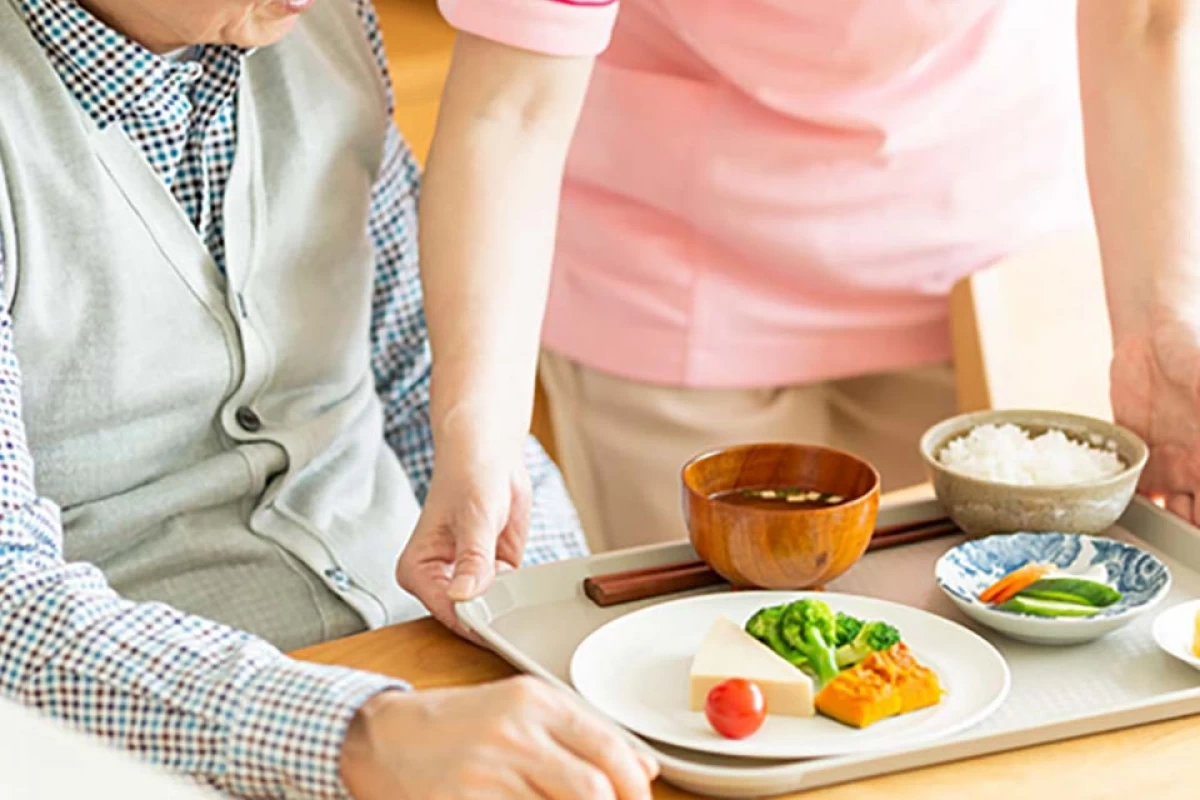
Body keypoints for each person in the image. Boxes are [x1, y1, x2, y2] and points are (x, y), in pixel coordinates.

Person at [0, 0, 655, 798]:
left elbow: (421, 375)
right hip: (155, 750)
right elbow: (9, 605)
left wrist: (556, 626)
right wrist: (359, 733)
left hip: (436, 689)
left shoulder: (324, 29)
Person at [430, 0, 1200, 552]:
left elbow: (1146, 20)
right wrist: (480, 433)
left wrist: (1160, 324)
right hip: (670, 272)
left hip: (979, 238)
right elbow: (510, 112)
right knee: (715, 669)